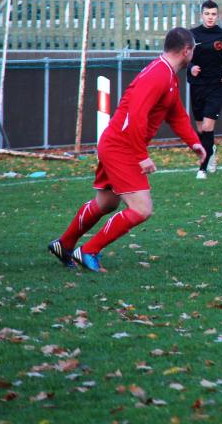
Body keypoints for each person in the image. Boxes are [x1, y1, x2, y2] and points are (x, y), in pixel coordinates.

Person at [47, 28, 206, 272]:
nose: (193, 55)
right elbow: (136, 116)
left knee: (106, 203)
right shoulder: (159, 75)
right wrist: (141, 156)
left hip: (116, 142)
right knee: (142, 209)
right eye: (193, 51)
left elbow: (175, 112)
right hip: (122, 147)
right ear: (186, 51)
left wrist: (193, 141)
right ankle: (88, 250)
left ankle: (65, 244)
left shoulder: (167, 74)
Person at [189, 0, 222, 179]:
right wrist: (191, 67)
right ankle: (211, 150)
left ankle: (202, 168)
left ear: (218, 16)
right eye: (207, 14)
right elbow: (185, 56)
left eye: (213, 14)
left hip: (216, 85)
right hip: (197, 85)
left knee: (208, 126)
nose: (210, 17)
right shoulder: (192, 35)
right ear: (202, 15)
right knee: (201, 129)